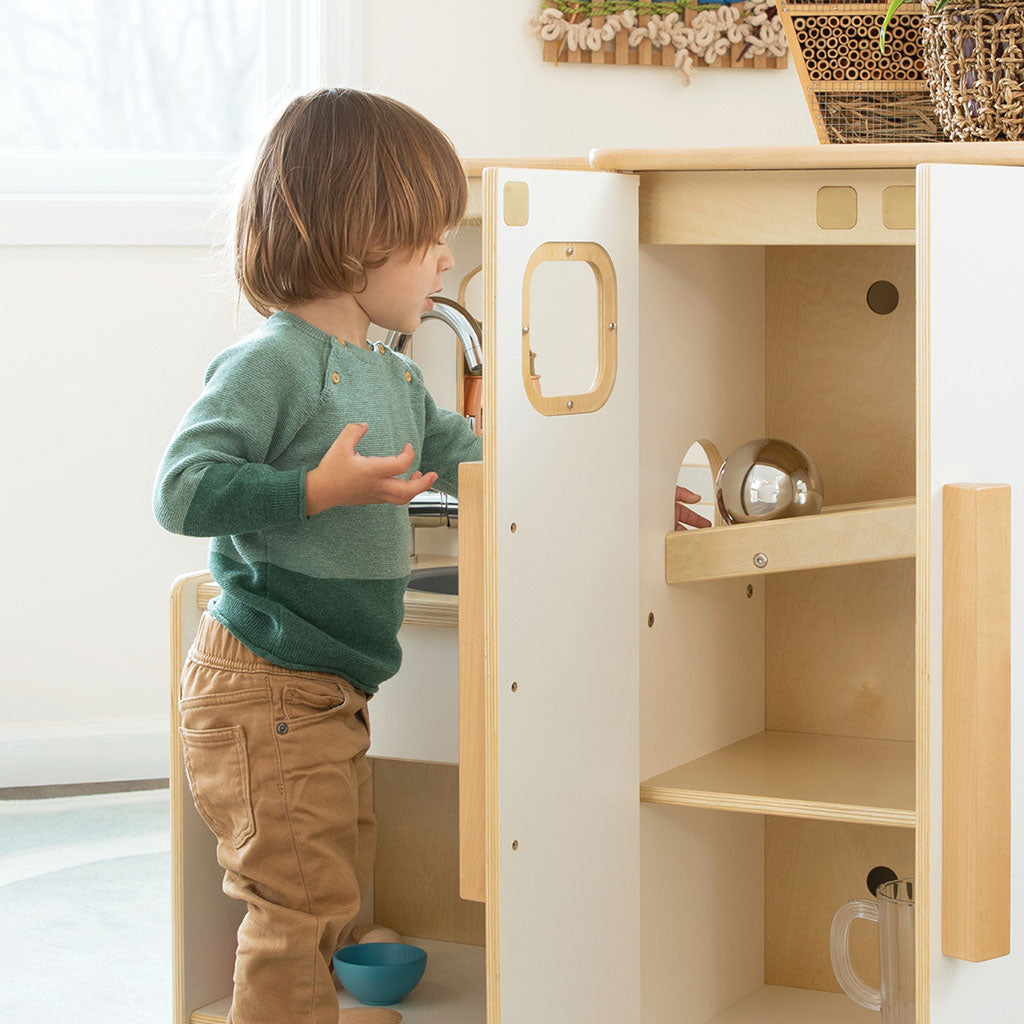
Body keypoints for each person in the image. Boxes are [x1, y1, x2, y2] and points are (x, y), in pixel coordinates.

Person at [153, 88, 482, 1024]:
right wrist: (313, 491)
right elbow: (182, 488)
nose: (447, 258)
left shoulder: (396, 373)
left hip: (325, 692)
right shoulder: (274, 363)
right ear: (356, 244)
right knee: (298, 904)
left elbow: (468, 453)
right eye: (429, 239)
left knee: (328, 879)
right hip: (264, 685)